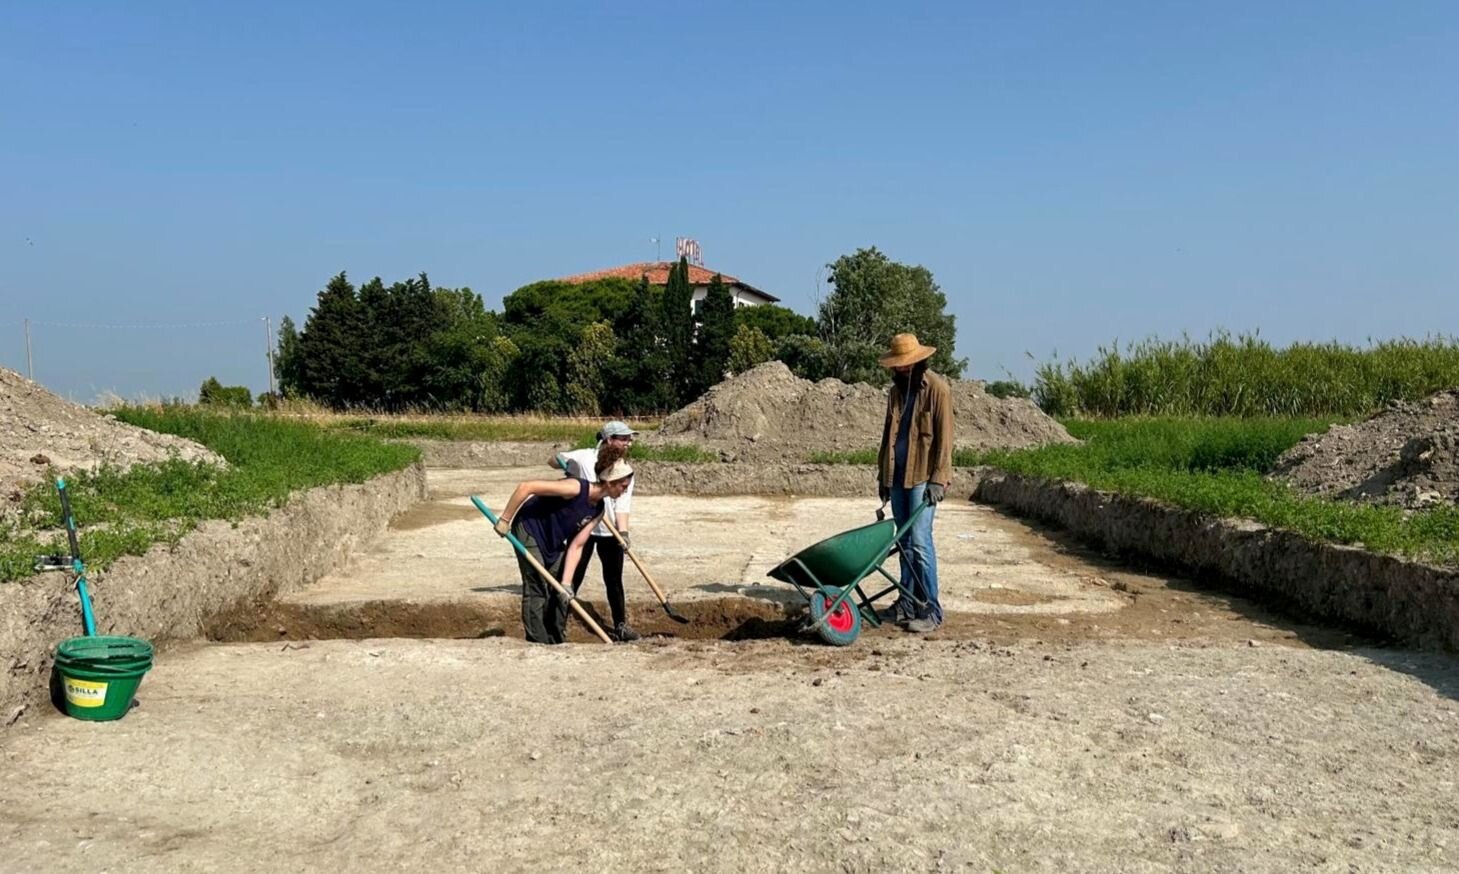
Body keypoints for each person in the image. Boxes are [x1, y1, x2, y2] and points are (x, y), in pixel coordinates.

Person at [494, 443, 634, 644]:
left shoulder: (598, 509)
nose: (624, 490)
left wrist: (566, 584)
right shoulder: (576, 488)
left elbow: (577, 545)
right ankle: (537, 639)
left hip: (553, 540)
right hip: (529, 529)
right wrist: (505, 520)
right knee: (536, 585)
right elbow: (527, 487)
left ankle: (556, 637)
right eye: (623, 486)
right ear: (611, 482)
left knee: (558, 588)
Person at [874, 333, 954, 633]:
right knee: (904, 543)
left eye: (909, 364)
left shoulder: (937, 390)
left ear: (920, 361)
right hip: (897, 476)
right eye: (900, 366)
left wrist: (939, 478)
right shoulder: (895, 393)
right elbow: (887, 437)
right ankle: (907, 603)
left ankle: (931, 610)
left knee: (920, 542)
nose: (905, 369)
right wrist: (883, 476)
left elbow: (946, 440)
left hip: (923, 477)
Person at [551, 420, 641, 642]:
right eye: (624, 438)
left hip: (610, 532)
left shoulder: (625, 470)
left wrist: (624, 532)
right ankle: (556, 625)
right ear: (609, 439)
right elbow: (553, 458)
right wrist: (566, 465)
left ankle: (620, 625)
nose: (629, 442)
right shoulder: (584, 457)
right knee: (573, 576)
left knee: (614, 580)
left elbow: (623, 504)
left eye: (630, 438)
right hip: (583, 525)